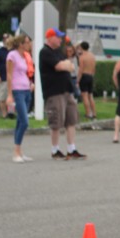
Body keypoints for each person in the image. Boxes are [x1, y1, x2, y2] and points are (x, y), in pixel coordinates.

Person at [40, 28, 86, 160]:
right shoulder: (45, 52)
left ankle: (72, 148)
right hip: (54, 92)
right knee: (56, 121)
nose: (60, 40)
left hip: (67, 90)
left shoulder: (58, 52)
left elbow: (70, 66)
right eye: (58, 37)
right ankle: (55, 150)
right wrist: (65, 64)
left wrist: (66, 64)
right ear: (50, 38)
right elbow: (60, 66)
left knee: (71, 119)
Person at [5, 34, 35, 163]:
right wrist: (9, 94)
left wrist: (30, 83)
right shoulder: (12, 55)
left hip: (26, 89)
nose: (29, 44)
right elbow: (9, 75)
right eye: (27, 42)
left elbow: (25, 73)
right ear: (21, 44)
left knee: (20, 121)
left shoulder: (25, 56)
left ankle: (20, 151)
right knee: (24, 121)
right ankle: (16, 152)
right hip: (17, 91)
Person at [0, 38, 12, 118]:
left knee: (11, 97)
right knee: (2, 98)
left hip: (12, 78)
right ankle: (4, 114)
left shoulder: (12, 52)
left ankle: (11, 113)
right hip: (2, 78)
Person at [77, 41, 97, 120]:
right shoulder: (92, 56)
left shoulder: (82, 57)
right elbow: (94, 68)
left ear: (81, 47)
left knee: (84, 96)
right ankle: (94, 113)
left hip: (84, 76)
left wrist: (78, 80)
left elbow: (81, 70)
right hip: (90, 76)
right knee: (90, 95)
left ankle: (88, 113)